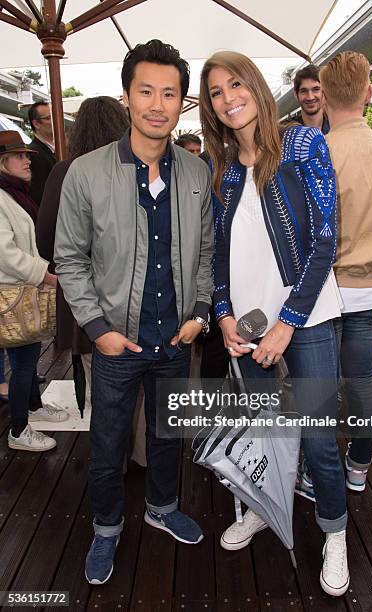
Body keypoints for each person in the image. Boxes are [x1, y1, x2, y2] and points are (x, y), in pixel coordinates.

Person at [54, 40, 213, 585]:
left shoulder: (195, 174)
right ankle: (105, 527)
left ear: (181, 103)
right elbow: (69, 259)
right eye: (146, 90)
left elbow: (208, 252)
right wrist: (98, 331)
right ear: (127, 96)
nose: (157, 103)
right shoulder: (86, 173)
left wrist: (200, 311)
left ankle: (163, 508)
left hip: (176, 339)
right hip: (116, 342)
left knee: (169, 438)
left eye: (170, 93)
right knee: (108, 442)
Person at [199, 51, 349, 597]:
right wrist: (222, 314)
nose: (227, 97)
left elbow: (326, 241)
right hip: (246, 325)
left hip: (305, 320)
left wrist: (288, 321)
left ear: (255, 87)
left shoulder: (305, 145)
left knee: (316, 436)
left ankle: (334, 531)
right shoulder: (220, 169)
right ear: (210, 107)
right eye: (215, 92)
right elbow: (218, 255)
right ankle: (267, 507)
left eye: (235, 84)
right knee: (266, 430)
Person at [319, 51, 372, 490]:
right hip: (370, 287)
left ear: (324, 95)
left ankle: (316, 472)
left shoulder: (319, 153)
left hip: (322, 291)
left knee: (315, 382)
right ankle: (359, 464)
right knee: (362, 378)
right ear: (369, 92)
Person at [36, 96, 131, 409]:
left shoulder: (65, 172)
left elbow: (46, 243)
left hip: (84, 300)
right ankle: (143, 457)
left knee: (101, 389)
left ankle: (114, 454)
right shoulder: (139, 169)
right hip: (138, 296)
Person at [0, 131, 68, 452]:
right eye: (19, 155)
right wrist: (46, 273)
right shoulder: (3, 196)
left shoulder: (14, 193)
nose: (28, 160)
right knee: (25, 363)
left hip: (21, 291)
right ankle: (18, 430)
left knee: (25, 357)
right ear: (3, 162)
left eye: (27, 154)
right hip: (12, 292)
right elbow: (6, 253)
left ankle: (33, 408)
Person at [27, 101, 55, 206]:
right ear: (36, 124)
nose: (54, 120)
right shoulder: (34, 154)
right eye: (48, 118)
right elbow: (40, 194)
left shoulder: (61, 148)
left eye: (54, 116)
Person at [293, 64, 330, 134]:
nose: (310, 97)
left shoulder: (336, 127)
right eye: (304, 91)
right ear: (295, 94)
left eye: (316, 89)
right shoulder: (287, 132)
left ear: (324, 91)